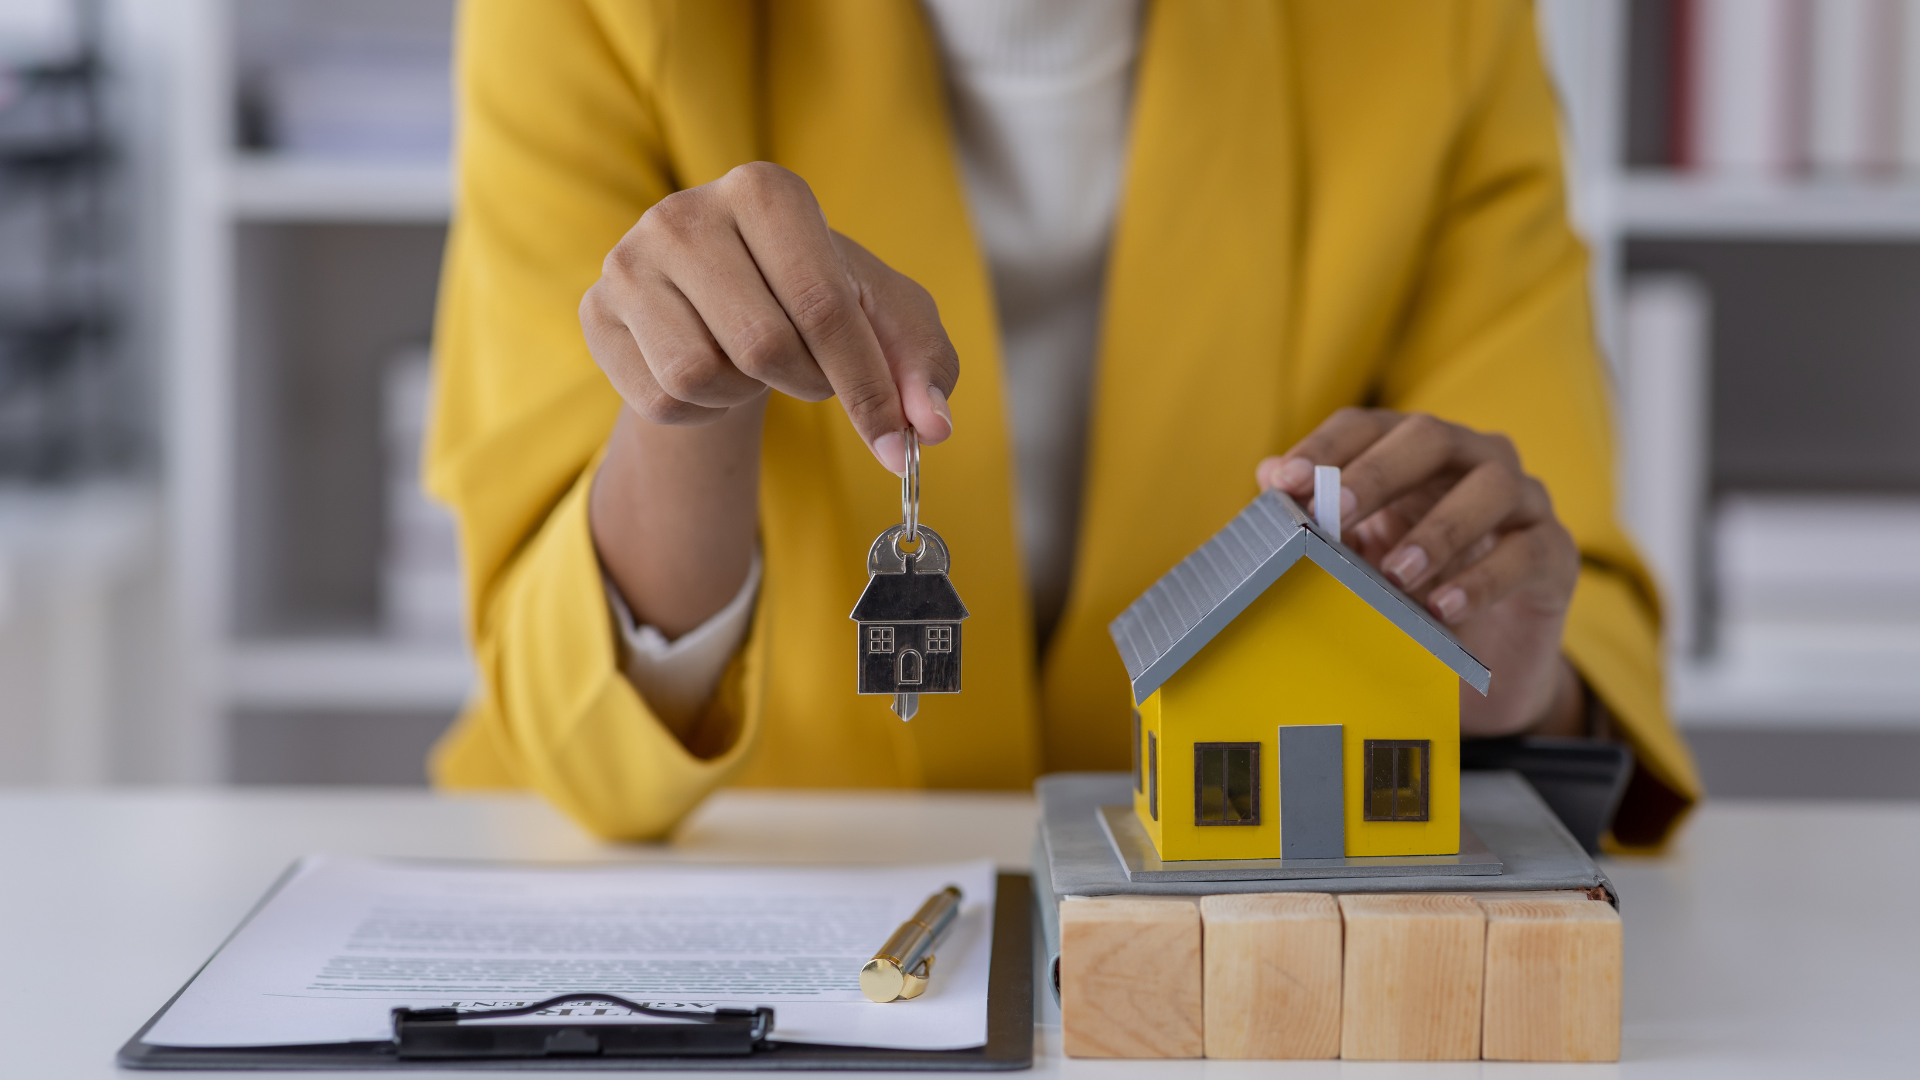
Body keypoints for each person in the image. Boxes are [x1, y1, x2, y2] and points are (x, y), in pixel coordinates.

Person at [426, 0, 1701, 849]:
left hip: (1229, 900)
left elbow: (1564, 622)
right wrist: (694, 389)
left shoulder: (1439, 22)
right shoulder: (593, 14)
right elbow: (568, 718)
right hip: (754, 893)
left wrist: (1501, 683)